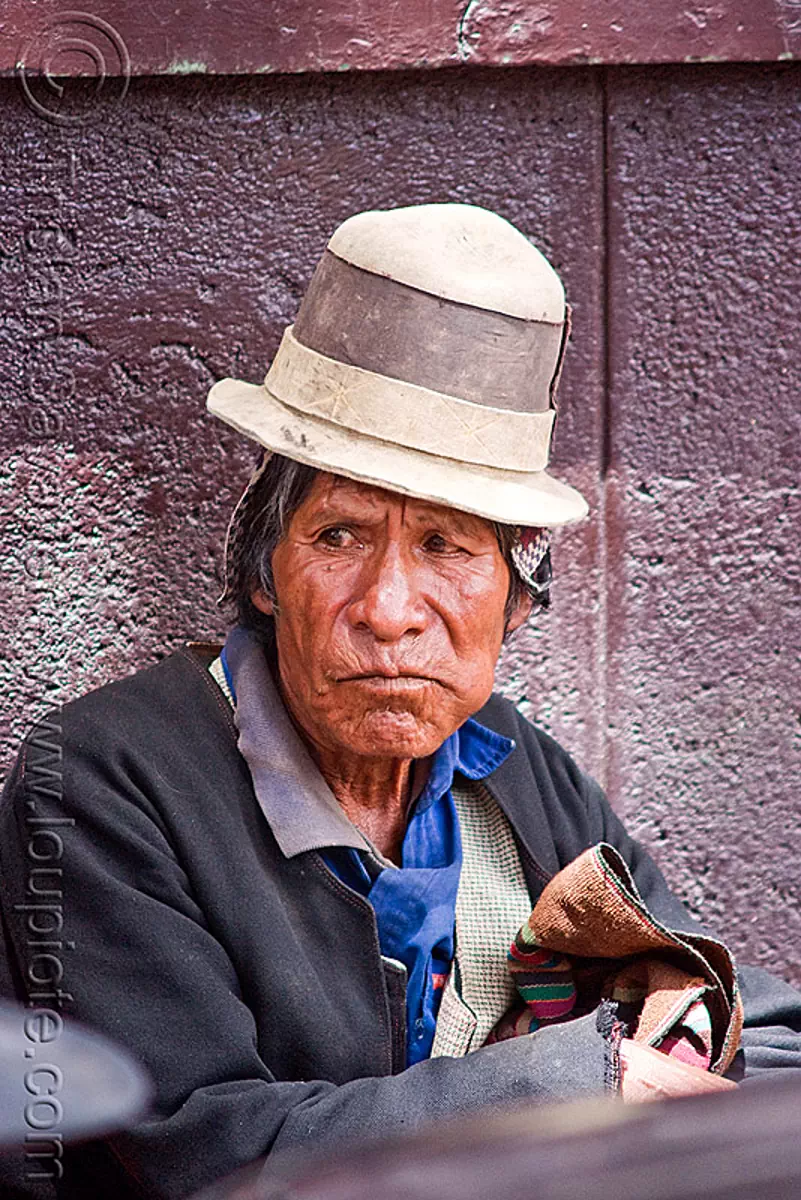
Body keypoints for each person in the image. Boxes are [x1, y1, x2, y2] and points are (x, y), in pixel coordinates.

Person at [1, 203, 799, 1200]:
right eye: (338, 535)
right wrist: (578, 1081)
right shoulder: (106, 779)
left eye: (447, 547)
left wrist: (676, 1041)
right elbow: (213, 1154)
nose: (387, 610)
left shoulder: (510, 765)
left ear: (515, 603)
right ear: (265, 573)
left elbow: (757, 1030)